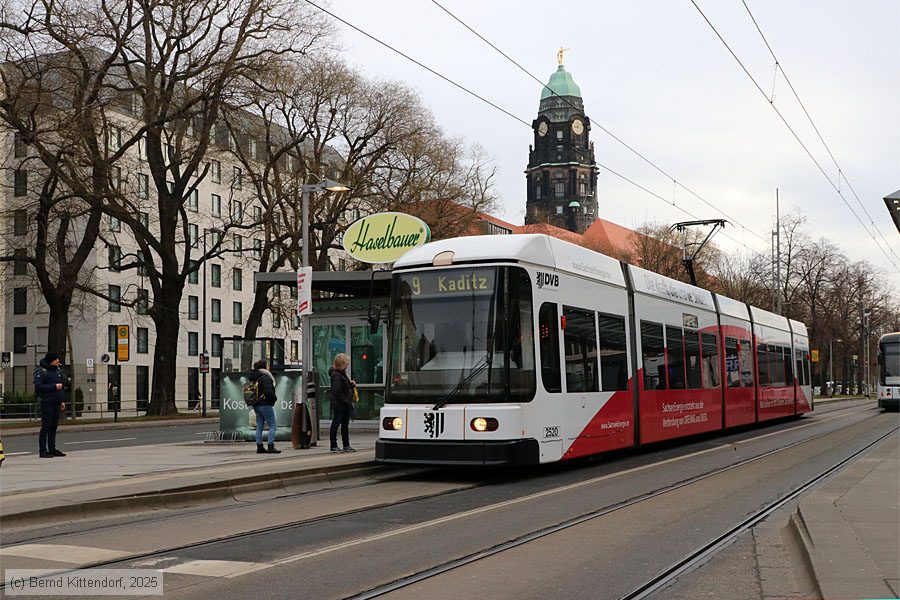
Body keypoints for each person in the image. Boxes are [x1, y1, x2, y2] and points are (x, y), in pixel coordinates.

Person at [34, 352, 67, 458]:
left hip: (56, 402)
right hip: (47, 403)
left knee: (53, 427)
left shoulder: (57, 371)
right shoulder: (41, 371)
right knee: (46, 427)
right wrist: (53, 386)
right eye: (56, 359)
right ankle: (42, 450)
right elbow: (39, 387)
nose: (58, 361)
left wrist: (62, 400)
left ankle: (52, 449)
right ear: (51, 360)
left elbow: (61, 387)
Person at [248, 360, 280, 454]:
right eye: (267, 365)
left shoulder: (254, 377)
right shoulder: (265, 378)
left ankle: (259, 446)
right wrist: (274, 399)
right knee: (272, 425)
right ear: (264, 367)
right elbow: (268, 392)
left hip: (256, 404)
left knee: (259, 426)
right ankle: (270, 446)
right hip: (265, 404)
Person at [329, 353, 356, 452]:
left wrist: (351, 384)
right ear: (342, 363)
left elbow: (346, 386)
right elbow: (337, 391)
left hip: (344, 404)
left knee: (344, 425)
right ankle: (334, 445)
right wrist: (346, 402)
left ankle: (346, 444)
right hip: (340, 405)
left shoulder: (342, 374)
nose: (348, 365)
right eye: (346, 363)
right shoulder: (336, 375)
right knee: (336, 424)